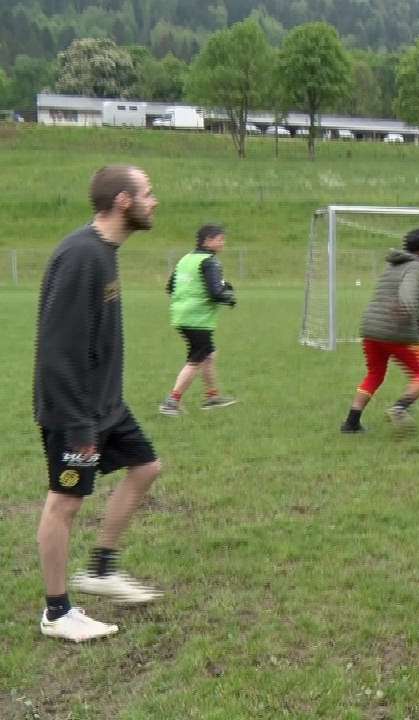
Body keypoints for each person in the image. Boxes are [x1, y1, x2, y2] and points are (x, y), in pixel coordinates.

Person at [34, 165, 165, 642]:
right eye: (148, 193)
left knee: (146, 467)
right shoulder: (82, 256)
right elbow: (57, 348)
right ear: (123, 201)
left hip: (105, 404)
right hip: (75, 410)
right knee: (65, 502)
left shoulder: (105, 252)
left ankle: (101, 568)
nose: (154, 201)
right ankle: (57, 612)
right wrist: (77, 424)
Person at [340, 229, 419, 433]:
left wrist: (418, 317)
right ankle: (400, 408)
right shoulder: (416, 268)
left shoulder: (393, 265)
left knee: (375, 374)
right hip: (395, 332)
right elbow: (408, 297)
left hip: (370, 329)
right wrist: (408, 312)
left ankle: (351, 422)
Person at [158, 224, 238, 416]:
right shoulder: (210, 262)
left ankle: (212, 397)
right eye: (220, 239)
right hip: (197, 318)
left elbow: (170, 288)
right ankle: (172, 402)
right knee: (197, 359)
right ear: (208, 240)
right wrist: (229, 296)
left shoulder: (186, 259)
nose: (223, 243)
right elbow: (216, 293)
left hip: (182, 315)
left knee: (209, 354)